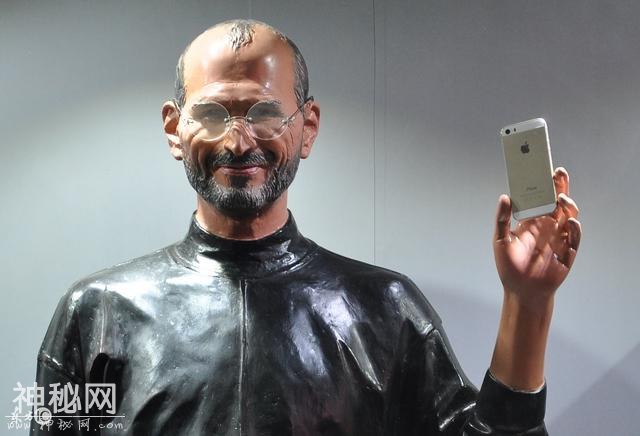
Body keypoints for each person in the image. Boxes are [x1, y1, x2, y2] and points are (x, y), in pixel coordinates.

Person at [31, 19, 581, 435]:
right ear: (175, 129)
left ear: (307, 127)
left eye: (265, 113)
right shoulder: (96, 314)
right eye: (213, 114)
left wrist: (528, 305)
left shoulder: (385, 309)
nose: (239, 141)